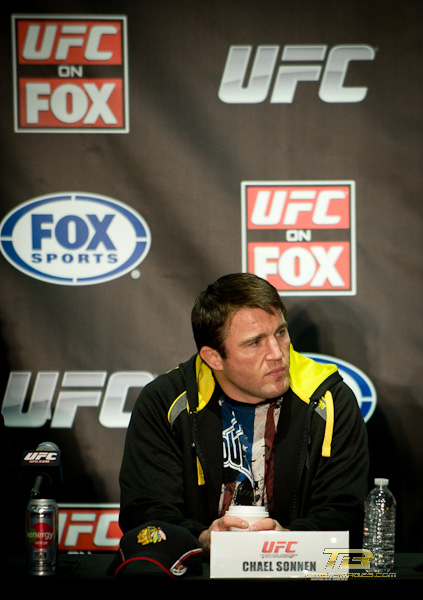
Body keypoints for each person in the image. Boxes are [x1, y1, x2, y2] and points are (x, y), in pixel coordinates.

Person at [119, 273, 369, 554]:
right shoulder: (165, 401)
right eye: (255, 342)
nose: (277, 353)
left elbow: (348, 513)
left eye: (281, 333)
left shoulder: (328, 399)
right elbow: (143, 514)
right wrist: (202, 538)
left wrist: (289, 539)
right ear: (213, 357)